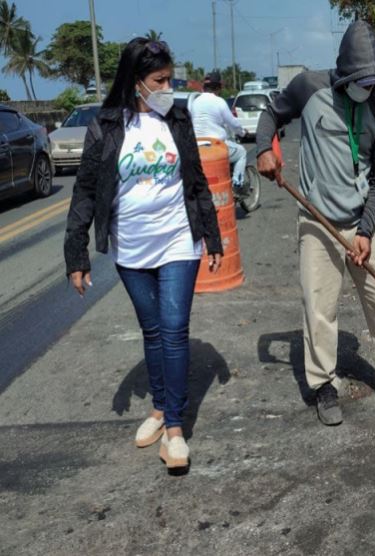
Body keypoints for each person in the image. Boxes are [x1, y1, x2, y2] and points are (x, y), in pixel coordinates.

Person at [256, 21, 375, 426]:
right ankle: (323, 385)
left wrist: (367, 231)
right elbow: (271, 113)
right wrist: (265, 147)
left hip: (360, 223)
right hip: (318, 222)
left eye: (373, 82)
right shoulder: (308, 87)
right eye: (360, 81)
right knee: (320, 308)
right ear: (343, 72)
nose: (366, 88)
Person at [63, 38, 223, 470]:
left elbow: (195, 180)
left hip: (177, 240)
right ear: (137, 83)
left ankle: (174, 429)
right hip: (131, 247)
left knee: (173, 328)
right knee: (152, 331)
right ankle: (158, 406)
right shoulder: (107, 126)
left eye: (170, 78)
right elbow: (85, 192)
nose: (168, 87)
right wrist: (76, 255)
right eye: (160, 80)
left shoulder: (178, 116)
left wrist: (212, 235)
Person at [191, 71, 248, 188]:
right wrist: (242, 132)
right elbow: (233, 123)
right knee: (241, 152)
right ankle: (237, 184)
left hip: (196, 148)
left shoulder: (194, 102)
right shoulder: (219, 102)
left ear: (204, 87)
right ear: (219, 87)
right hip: (216, 146)